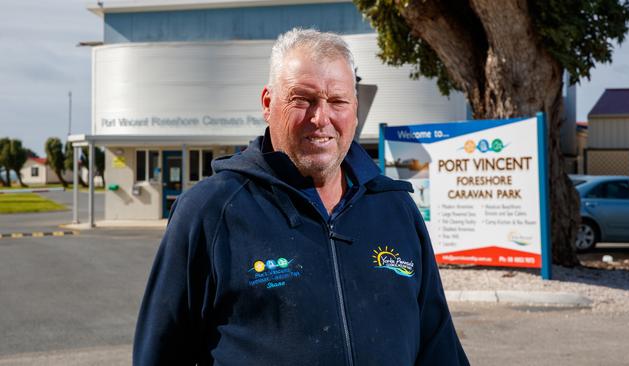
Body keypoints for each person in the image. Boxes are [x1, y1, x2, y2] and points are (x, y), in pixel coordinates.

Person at [134, 28, 469, 366]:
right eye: (303, 99)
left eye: (337, 101)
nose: (320, 118)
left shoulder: (395, 208)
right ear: (268, 103)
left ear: (354, 110)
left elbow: (438, 347)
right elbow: (160, 353)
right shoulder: (211, 211)